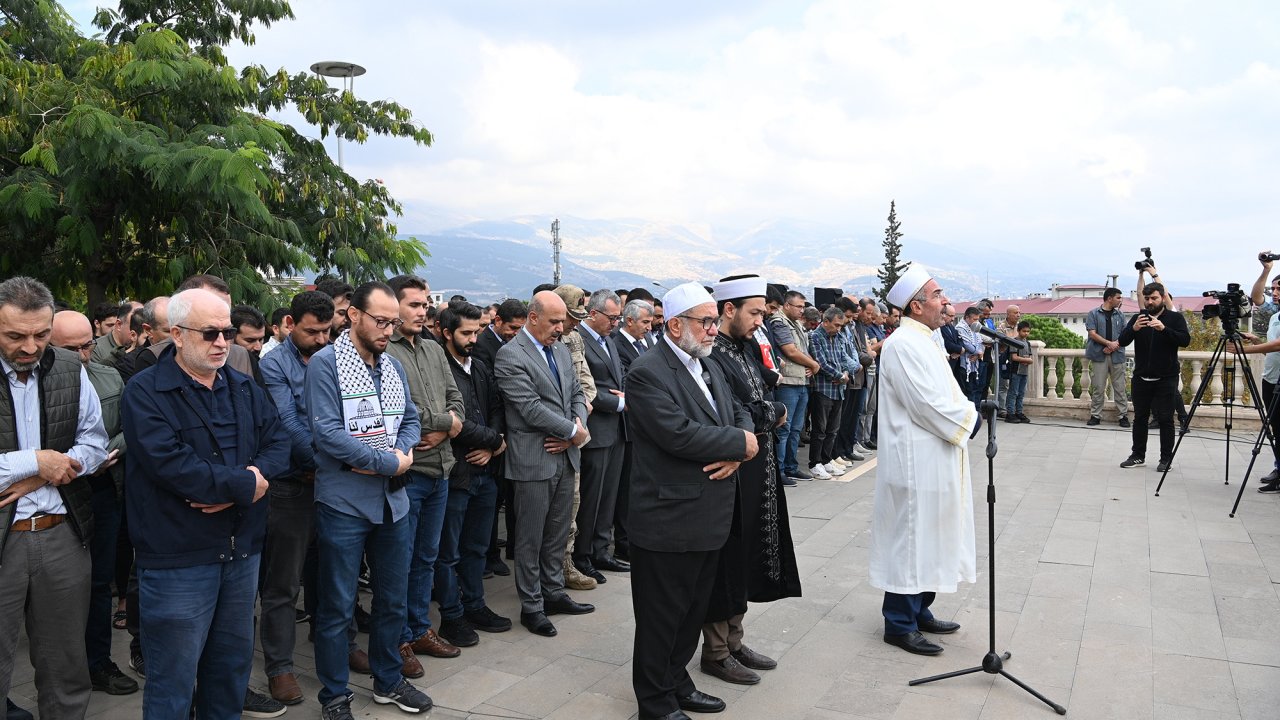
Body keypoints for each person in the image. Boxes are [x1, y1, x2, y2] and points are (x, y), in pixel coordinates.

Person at [123, 287, 290, 718]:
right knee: (173, 681)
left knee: (230, 672)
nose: (222, 343)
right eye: (210, 333)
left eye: (228, 332)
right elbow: (172, 465)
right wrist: (241, 487)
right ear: (176, 334)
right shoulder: (145, 392)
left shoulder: (244, 387)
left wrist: (242, 486)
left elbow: (278, 443)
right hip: (179, 558)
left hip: (241, 551)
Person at [625, 282, 757, 720]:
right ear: (676, 324)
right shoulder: (647, 372)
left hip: (707, 517)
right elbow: (677, 433)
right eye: (705, 322)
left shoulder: (709, 363)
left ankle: (677, 681)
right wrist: (739, 442)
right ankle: (655, 702)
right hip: (668, 519)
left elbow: (738, 409)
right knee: (662, 617)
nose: (714, 330)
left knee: (691, 611)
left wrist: (739, 447)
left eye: (715, 321)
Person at [305, 281, 430, 719]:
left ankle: (388, 679)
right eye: (381, 321)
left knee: (392, 597)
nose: (388, 330)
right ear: (353, 315)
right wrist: (386, 461)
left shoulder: (391, 366)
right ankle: (335, 695)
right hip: (345, 503)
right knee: (338, 605)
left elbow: (410, 419)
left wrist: (403, 454)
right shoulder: (326, 365)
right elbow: (328, 434)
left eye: (393, 322)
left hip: (393, 501)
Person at [0, 277, 108, 720]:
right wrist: (37, 462)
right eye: (15, 336)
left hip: (62, 534)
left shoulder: (68, 367)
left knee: (66, 667)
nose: (30, 347)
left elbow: (95, 444)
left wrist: (52, 470)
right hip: (5, 541)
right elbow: (46, 461)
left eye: (41, 335)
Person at [869, 263, 981, 656]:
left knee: (933, 532)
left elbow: (946, 392)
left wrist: (967, 409)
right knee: (911, 538)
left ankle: (920, 609)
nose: (945, 301)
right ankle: (898, 623)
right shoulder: (902, 344)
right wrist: (972, 419)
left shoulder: (927, 339)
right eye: (937, 295)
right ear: (916, 306)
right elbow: (926, 403)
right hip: (915, 459)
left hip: (936, 453)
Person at [700, 275, 801, 686]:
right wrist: (772, 409)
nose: (761, 320)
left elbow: (763, 392)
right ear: (729, 309)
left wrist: (769, 407)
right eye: (755, 312)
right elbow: (742, 409)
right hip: (733, 467)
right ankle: (716, 651)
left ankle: (735, 641)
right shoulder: (712, 355)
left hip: (757, 463)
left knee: (750, 553)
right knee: (727, 558)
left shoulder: (742, 347)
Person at [493, 290, 593, 637]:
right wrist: (573, 432)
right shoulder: (510, 356)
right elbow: (530, 408)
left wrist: (576, 431)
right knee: (530, 538)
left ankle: (553, 592)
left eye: (563, 321)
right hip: (534, 459)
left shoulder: (562, 349)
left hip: (565, 454)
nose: (560, 327)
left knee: (557, 532)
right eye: (554, 321)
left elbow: (578, 394)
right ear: (533, 317)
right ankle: (532, 605)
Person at [257, 290, 340, 705]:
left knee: (330, 577)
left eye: (327, 330)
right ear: (291, 325)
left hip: (332, 481)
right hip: (292, 485)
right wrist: (332, 459)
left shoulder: (336, 355)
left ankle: (334, 651)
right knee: (283, 584)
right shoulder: (274, 362)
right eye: (313, 332)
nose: (322, 339)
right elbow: (287, 421)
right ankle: (279, 667)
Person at [49, 311, 137, 697]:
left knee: (100, 583)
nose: (82, 355)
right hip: (50, 496)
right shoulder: (32, 386)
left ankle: (97, 662)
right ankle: (57, 673)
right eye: (70, 348)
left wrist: (105, 454)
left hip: (102, 491)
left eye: (87, 345)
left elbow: (128, 429)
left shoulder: (110, 376)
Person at [384, 275, 466, 670]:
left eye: (425, 304)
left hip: (442, 469)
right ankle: (397, 638)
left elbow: (458, 403)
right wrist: (443, 423)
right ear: (392, 307)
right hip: (410, 471)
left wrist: (449, 424)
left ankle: (419, 628)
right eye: (414, 305)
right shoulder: (386, 352)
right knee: (400, 559)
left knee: (427, 558)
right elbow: (399, 413)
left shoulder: (434, 349)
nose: (424, 311)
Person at [436, 302, 512, 644]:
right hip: (456, 472)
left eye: (477, 332)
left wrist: (494, 444)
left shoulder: (480, 366)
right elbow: (451, 422)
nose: (473, 339)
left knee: (477, 547)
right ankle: (451, 615)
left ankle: (475, 605)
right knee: (448, 551)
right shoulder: (439, 368)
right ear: (446, 332)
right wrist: (493, 439)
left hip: (485, 470)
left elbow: (495, 408)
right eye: (466, 333)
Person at [574, 289, 631, 582]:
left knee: (608, 496)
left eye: (619, 318)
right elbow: (586, 387)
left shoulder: (608, 340)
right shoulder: (577, 341)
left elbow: (618, 379)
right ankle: (582, 556)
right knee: (590, 498)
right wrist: (622, 402)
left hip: (616, 430)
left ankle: (601, 551)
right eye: (612, 318)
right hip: (595, 430)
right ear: (593, 314)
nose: (616, 323)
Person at [1118, 282, 1191, 473]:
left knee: (1166, 419)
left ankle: (1166, 459)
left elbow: (1185, 341)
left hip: (1166, 377)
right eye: (1147, 298)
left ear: (1162, 298)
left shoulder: (1174, 318)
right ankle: (1137, 455)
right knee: (1140, 418)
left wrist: (1163, 329)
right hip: (1141, 377)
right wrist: (1133, 328)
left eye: (1154, 298)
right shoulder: (1138, 317)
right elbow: (1122, 341)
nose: (1150, 302)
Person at [769, 291, 819, 483]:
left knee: (796, 429)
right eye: (798, 306)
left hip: (801, 381)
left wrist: (811, 364)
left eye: (803, 306)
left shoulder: (796, 323)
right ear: (787, 305)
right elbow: (790, 350)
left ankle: (791, 467)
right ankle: (780, 471)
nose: (802, 310)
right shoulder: (779, 322)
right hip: (788, 382)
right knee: (784, 428)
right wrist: (813, 365)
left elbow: (803, 350)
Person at [806, 306, 853, 480]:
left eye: (841, 325)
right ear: (825, 322)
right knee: (820, 429)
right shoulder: (815, 337)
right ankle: (815, 463)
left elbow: (843, 358)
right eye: (836, 325)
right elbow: (821, 362)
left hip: (839, 388)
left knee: (833, 429)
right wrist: (839, 375)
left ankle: (826, 460)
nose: (839, 328)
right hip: (823, 389)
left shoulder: (838, 336)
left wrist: (845, 374)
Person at [1005, 321, 1033, 423]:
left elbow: (1029, 356)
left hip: (1024, 371)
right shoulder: (1014, 342)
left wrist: (1027, 361)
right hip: (1015, 371)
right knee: (1013, 392)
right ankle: (1010, 413)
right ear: (1018, 330)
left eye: (1028, 331)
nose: (1026, 333)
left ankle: (1019, 412)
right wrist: (1026, 360)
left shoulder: (1027, 343)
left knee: (1021, 393)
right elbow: (1014, 357)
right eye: (1024, 331)